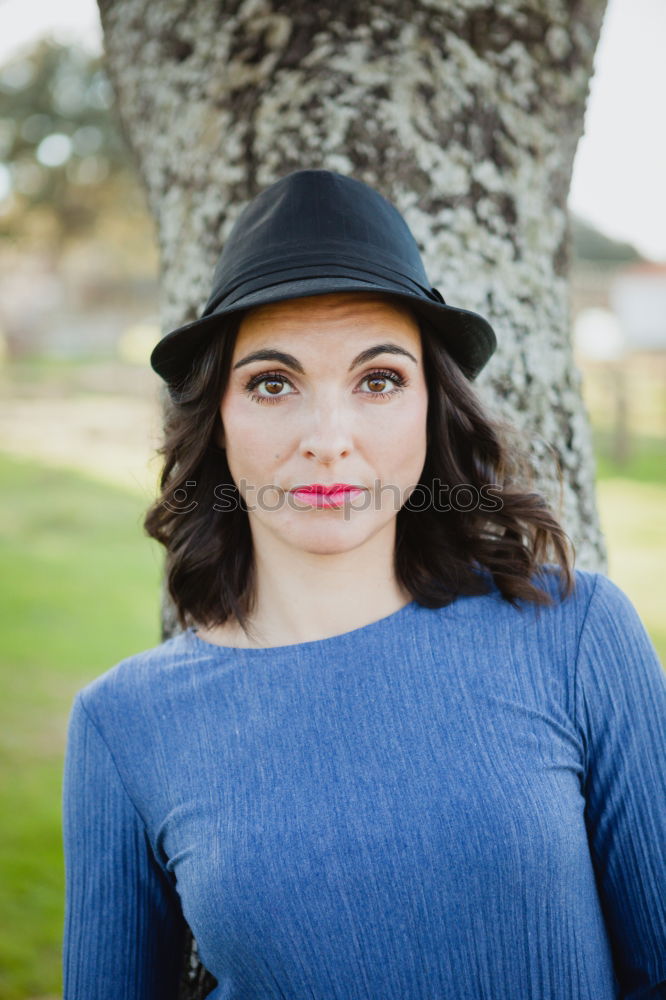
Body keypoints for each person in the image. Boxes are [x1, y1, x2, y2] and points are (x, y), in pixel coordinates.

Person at [61, 169, 666, 999]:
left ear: (430, 408)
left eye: (378, 379)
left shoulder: (577, 634)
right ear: (219, 421)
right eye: (273, 383)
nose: (328, 439)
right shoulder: (122, 726)